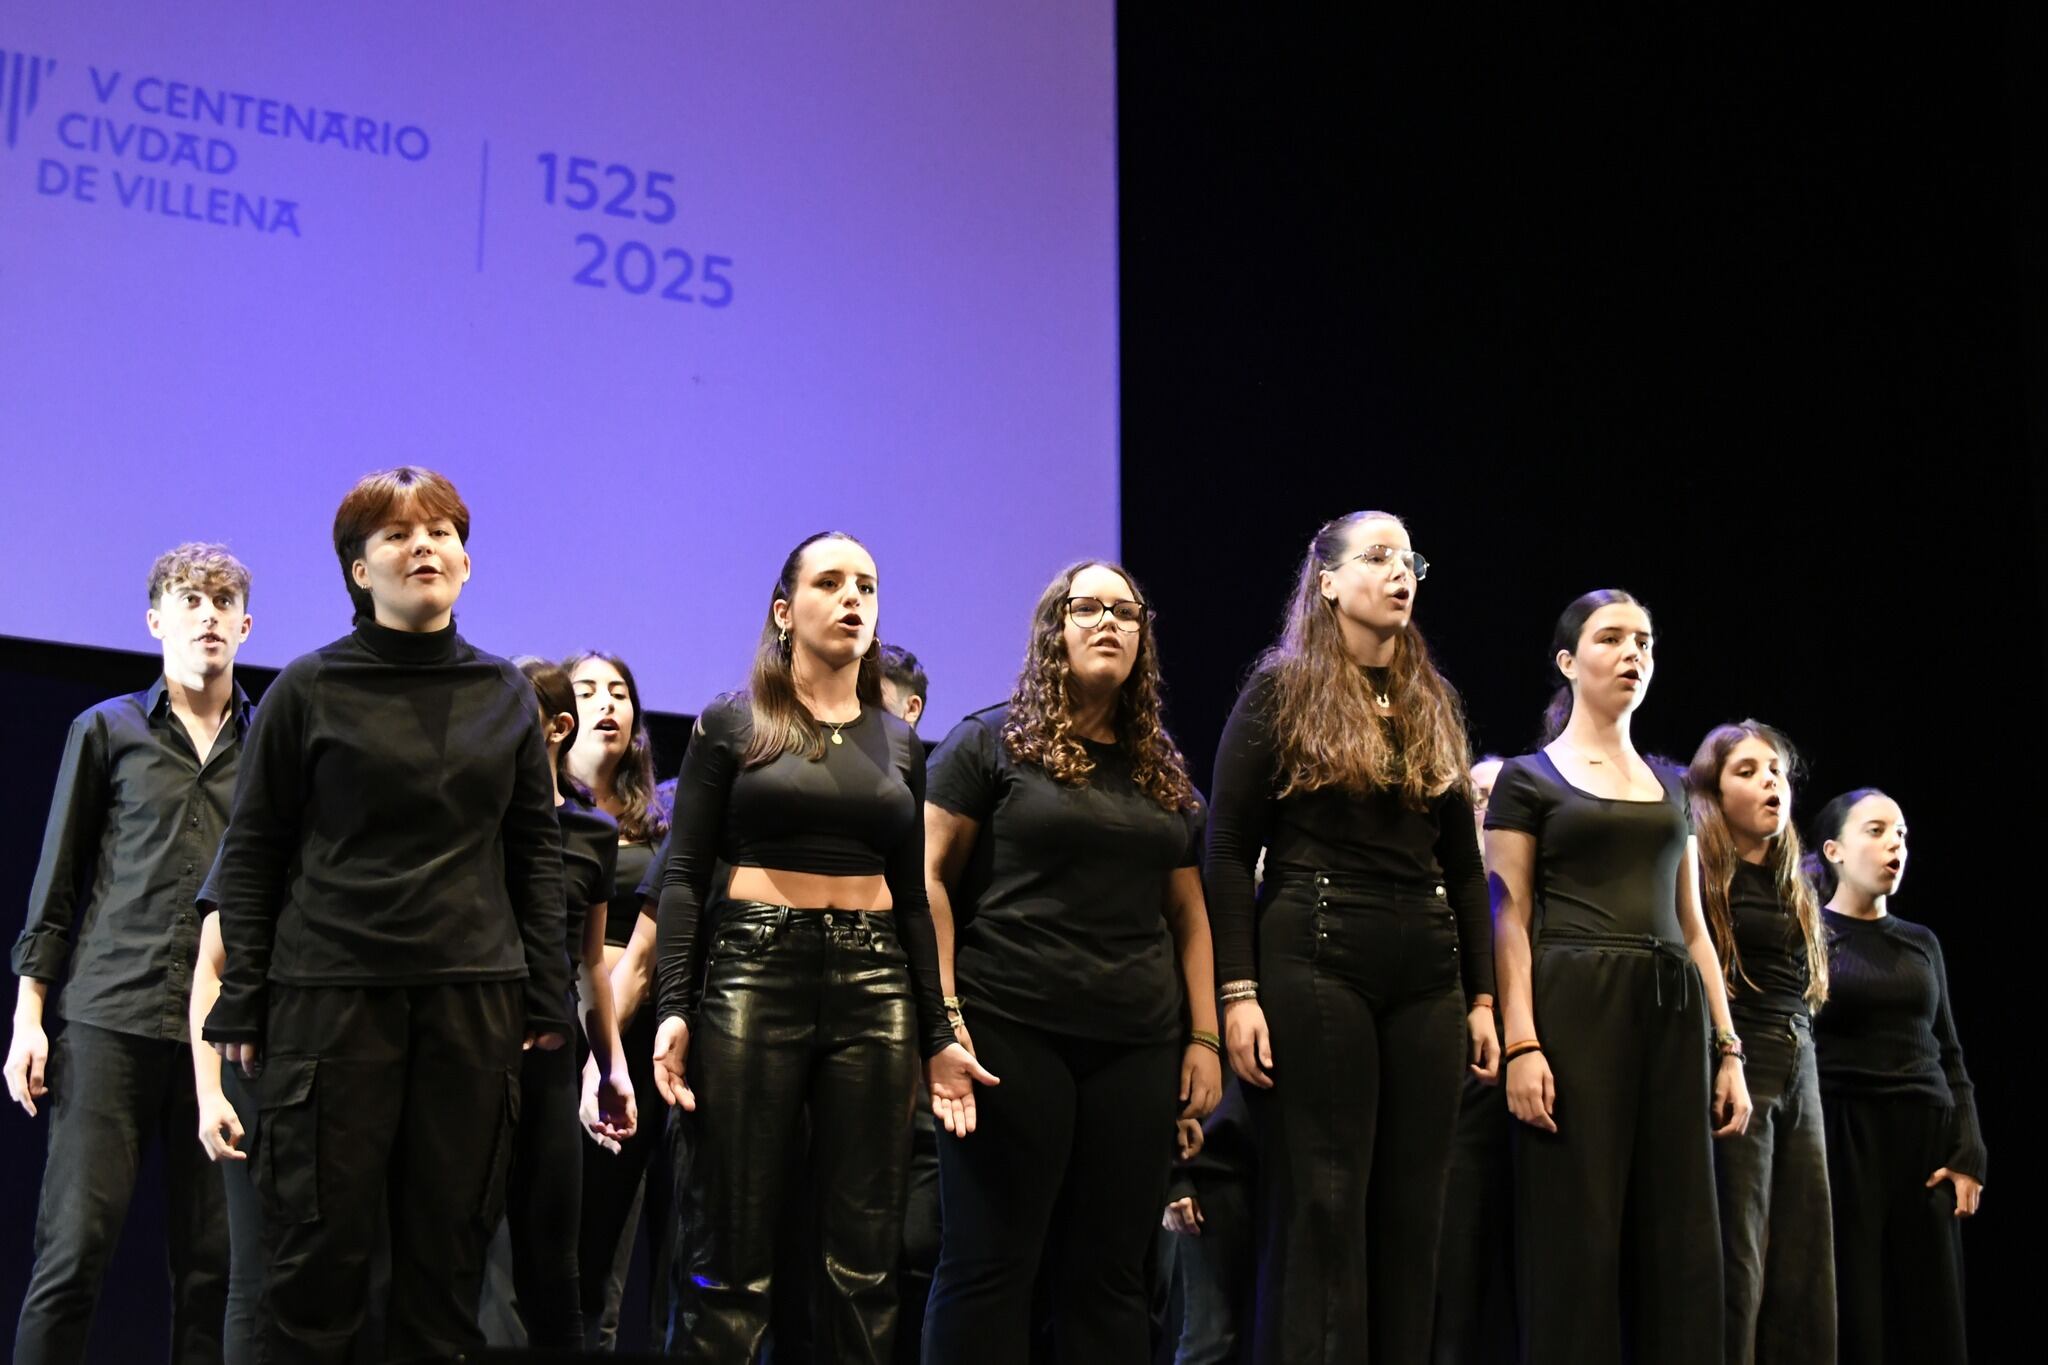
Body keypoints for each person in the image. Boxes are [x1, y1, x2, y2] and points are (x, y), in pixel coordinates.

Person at [201, 467, 572, 1363]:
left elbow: (533, 852)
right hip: (332, 1001)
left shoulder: (504, 693)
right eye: (400, 534)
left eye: (442, 531)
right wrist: (243, 995)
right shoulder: (307, 688)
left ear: (467, 561)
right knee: (317, 1268)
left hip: (471, 1005)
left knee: (446, 1272)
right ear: (358, 570)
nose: (424, 547)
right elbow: (251, 853)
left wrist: (549, 997)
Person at [650, 531, 993, 1361]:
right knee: (728, 1246)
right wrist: (672, 1007)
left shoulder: (902, 743)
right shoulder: (733, 723)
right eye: (831, 582)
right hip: (753, 971)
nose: (853, 599)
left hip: (874, 982)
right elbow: (686, 874)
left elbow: (913, 897)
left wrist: (940, 1033)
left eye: (867, 586)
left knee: (862, 1257)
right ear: (783, 611)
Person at [1204, 511, 1497, 1364]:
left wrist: (1481, 997)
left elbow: (1464, 866)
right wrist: (1238, 991)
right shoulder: (1283, 689)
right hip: (1316, 951)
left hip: (1425, 969)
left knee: (1415, 1212)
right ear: (1327, 581)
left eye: (1409, 560)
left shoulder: (1430, 698)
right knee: (1325, 1204)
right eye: (1377, 558)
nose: (1399, 573)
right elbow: (1226, 848)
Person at [921, 560, 1221, 1364]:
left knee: (1112, 1277)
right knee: (991, 1266)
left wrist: (1204, 1036)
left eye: (1126, 611)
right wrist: (942, 1020)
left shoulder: (1161, 769)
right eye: (1087, 607)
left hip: (1134, 1043)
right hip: (1010, 1031)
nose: (1109, 623)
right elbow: (929, 882)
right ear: (1054, 628)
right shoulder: (987, 743)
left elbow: (1189, 914)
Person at [1486, 588, 1751, 1365]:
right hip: (1575, 1007)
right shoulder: (1529, 779)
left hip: (1671, 1014)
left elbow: (1696, 929)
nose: (1634, 652)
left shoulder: (1675, 792)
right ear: (1569, 661)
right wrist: (1522, 1042)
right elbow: (1510, 916)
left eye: (1645, 640)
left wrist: (1729, 1048)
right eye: (1612, 638)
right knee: (1579, 1235)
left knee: (1682, 1240)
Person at [7, 543, 251, 1365]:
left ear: (246, 625)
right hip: (108, 1016)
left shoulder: (270, 745)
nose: (207, 614)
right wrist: (28, 1018)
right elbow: (58, 880)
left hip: (222, 1037)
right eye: (190, 599)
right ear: (156, 621)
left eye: (223, 601)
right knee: (73, 1256)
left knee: (212, 1273)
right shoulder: (104, 729)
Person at [481, 657, 637, 1347]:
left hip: (548, 1063)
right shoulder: (470, 823)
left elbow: (593, 965)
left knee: (554, 1265)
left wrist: (612, 1066)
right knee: (465, 1259)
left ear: (554, 727)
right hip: (470, 1053)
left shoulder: (591, 834)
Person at [1809, 788, 1984, 1365]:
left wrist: (1969, 1151)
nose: (1896, 845)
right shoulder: (1811, 935)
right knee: (1857, 1308)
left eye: (1902, 835)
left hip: (1924, 1143)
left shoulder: (1921, 942)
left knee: (1929, 1313)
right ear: (1834, 850)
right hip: (1845, 1134)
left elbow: (1950, 1052)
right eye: (1878, 831)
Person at [1687, 722, 1834, 1365]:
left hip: (1800, 1059)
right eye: (1746, 771)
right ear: (1714, 791)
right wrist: (1728, 1056)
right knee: (1739, 1254)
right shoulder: (1704, 874)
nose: (1770, 780)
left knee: (1803, 1255)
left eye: (1774, 769)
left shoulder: (1794, 882)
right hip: (1740, 1057)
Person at [563, 649, 681, 1350]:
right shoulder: (532, 805)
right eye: (587, 690)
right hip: (545, 1028)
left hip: (625, 1039)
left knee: (602, 1243)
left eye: (619, 691)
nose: (607, 701)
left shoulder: (660, 818)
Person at [1431, 754, 1518, 1365]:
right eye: (1479, 793)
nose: (1490, 807)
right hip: (1456, 1098)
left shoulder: (1534, 896)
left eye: (1504, 796)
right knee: (1453, 1276)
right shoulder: (1439, 886)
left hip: (1529, 1097)